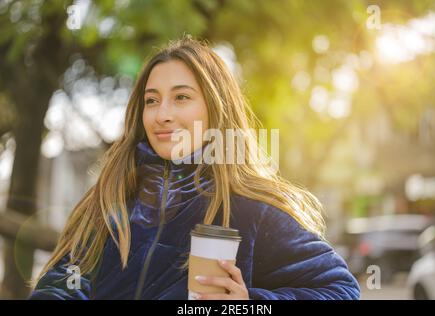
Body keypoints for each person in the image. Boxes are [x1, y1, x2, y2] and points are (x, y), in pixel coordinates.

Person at [30, 36, 360, 300]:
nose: (162, 114)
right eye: (152, 100)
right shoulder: (110, 196)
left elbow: (340, 291)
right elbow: (63, 282)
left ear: (215, 108)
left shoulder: (250, 209)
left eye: (182, 98)